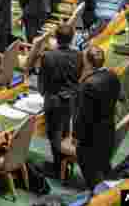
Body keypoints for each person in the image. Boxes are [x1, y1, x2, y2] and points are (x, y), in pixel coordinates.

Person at [75, 46, 122, 191]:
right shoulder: (112, 76)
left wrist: (75, 135)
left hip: (90, 139)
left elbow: (83, 116)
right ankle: (115, 194)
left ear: (88, 63)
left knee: (91, 176)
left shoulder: (88, 84)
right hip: (108, 131)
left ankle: (99, 197)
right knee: (104, 166)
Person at [39, 23, 81, 176]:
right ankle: (62, 163)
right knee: (65, 131)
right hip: (71, 99)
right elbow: (78, 76)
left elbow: (42, 82)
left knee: (53, 134)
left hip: (54, 100)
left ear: (56, 38)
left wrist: (45, 94)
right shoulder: (78, 55)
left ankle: (57, 167)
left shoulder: (48, 56)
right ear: (72, 38)